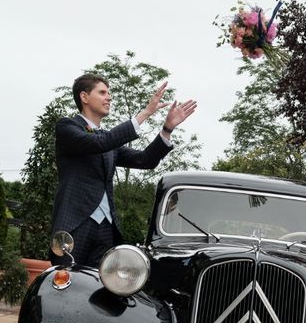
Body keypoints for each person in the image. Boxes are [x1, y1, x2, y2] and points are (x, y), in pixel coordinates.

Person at [49, 73, 197, 267]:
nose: (109, 97)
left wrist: (167, 129)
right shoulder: (67, 127)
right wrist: (144, 113)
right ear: (84, 97)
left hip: (106, 228)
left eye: (109, 93)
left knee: (101, 289)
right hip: (75, 225)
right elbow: (100, 143)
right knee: (67, 285)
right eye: (102, 92)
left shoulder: (107, 138)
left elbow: (145, 160)